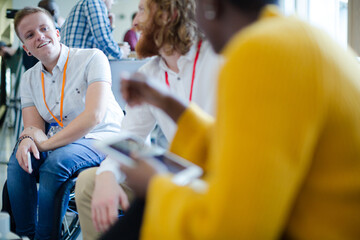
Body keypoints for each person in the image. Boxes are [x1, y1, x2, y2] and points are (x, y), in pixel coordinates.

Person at [101, 0, 360, 239]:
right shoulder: (293, 38)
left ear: (212, 6)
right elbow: (252, 151)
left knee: (147, 206)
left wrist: (155, 186)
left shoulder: (260, 51)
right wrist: (171, 105)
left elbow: (234, 231)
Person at [74, 0, 222, 239]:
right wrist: (108, 175)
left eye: (142, 10)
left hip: (218, 179)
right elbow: (129, 135)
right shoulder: (149, 73)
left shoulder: (217, 58)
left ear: (169, 15)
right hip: (174, 174)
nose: (134, 22)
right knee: (89, 182)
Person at [6, 7, 124, 239]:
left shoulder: (91, 57)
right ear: (25, 48)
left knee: (56, 163)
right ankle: (25, 235)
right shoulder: (30, 78)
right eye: (29, 35)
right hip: (63, 139)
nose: (39, 36)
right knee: (18, 162)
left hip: (100, 136)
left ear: (57, 33)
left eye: (44, 28)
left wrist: (44, 144)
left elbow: (94, 117)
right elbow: (34, 127)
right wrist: (27, 140)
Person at [60, 0, 130, 60]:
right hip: (79, 64)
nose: (113, 3)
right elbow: (103, 38)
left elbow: (101, 47)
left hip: (72, 64)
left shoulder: (82, 5)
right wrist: (121, 52)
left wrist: (110, 27)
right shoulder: (95, 2)